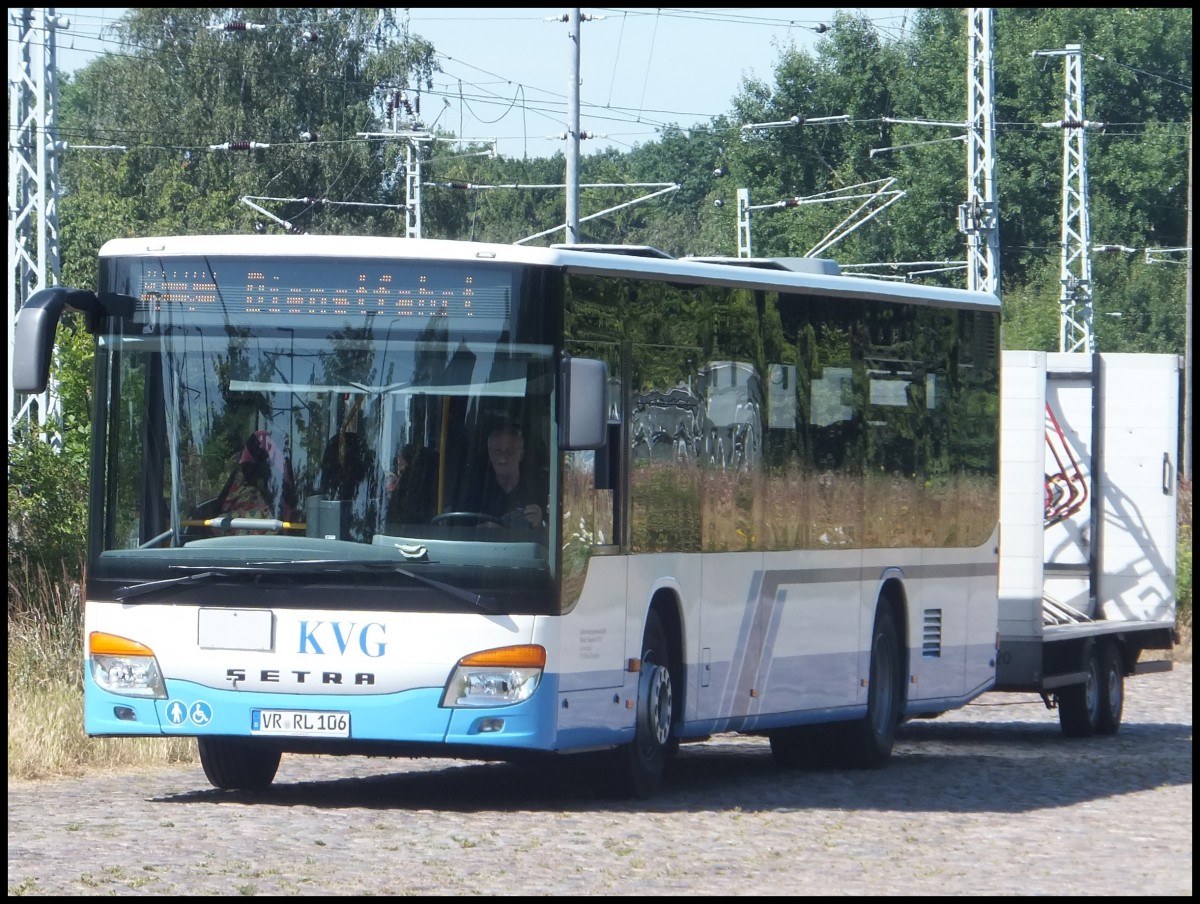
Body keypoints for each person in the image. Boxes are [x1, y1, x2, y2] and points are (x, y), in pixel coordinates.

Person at [471, 423, 544, 528]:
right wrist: (482, 529)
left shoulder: (538, 490)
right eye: (497, 452)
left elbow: (556, 535)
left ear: (521, 455)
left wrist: (539, 523)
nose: (503, 460)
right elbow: (457, 530)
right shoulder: (477, 492)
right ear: (490, 454)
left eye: (509, 453)